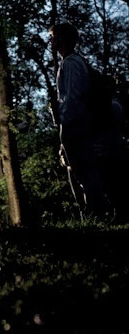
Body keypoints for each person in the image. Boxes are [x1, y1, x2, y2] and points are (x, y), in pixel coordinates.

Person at [49, 22, 109, 220]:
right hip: (75, 122)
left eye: (53, 37)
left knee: (82, 169)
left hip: (75, 123)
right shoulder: (70, 62)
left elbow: (74, 96)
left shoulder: (71, 63)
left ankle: (96, 212)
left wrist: (63, 119)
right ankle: (94, 212)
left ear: (62, 39)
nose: (51, 41)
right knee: (81, 169)